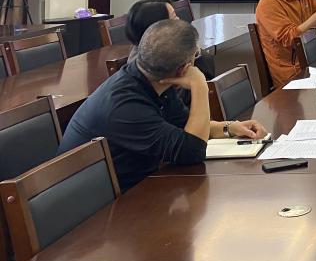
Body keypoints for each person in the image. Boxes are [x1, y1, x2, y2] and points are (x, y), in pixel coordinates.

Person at [58, 19, 268, 190]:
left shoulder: (151, 79)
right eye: (196, 54)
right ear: (184, 68)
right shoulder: (125, 105)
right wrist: (200, 86)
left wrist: (229, 127)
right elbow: (192, 151)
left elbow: (183, 126)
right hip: (102, 206)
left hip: (138, 186)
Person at [123, 0, 214, 79]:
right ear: (157, 27)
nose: (179, 20)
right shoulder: (154, 68)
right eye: (174, 17)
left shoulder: (154, 52)